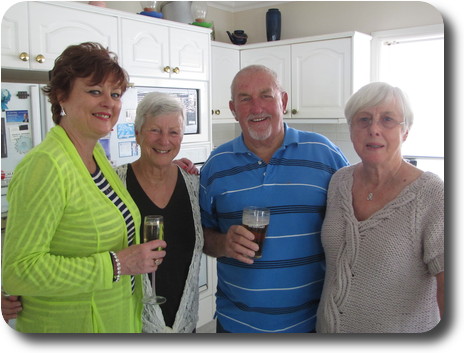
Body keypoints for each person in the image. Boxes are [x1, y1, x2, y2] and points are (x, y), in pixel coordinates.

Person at [1, 42, 165, 333]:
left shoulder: (96, 156)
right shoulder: (47, 165)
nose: (109, 103)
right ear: (62, 95)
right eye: (94, 91)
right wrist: (116, 264)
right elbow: (19, 270)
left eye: (115, 94)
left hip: (115, 318)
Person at [200, 65, 349, 333]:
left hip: (311, 325)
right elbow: (200, 236)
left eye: (266, 95)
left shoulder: (324, 153)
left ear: (283, 101)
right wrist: (224, 243)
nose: (256, 107)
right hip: (236, 325)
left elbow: (354, 222)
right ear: (233, 109)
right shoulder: (216, 165)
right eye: (245, 99)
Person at [316, 82, 444, 333]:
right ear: (352, 129)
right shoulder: (339, 181)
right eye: (363, 120)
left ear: (405, 131)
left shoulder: (432, 194)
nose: (373, 129)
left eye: (387, 120)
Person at [114, 92, 203, 333]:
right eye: (155, 130)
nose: (164, 141)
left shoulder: (194, 185)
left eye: (173, 132)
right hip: (128, 324)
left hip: (185, 323)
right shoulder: (113, 184)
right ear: (137, 134)